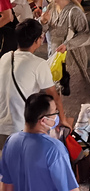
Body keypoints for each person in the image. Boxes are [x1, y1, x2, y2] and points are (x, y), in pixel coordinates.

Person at [0, 19, 66, 148]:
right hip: (20, 129)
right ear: (37, 40)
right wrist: (62, 120)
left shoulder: (5, 57)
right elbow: (53, 96)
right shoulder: (39, 64)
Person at [0, 92, 79, 191]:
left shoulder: (10, 141)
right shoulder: (54, 148)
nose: (57, 116)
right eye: (55, 113)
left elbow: (6, 186)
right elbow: (70, 189)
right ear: (43, 120)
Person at [40, 0, 90, 119]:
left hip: (72, 59)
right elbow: (44, 30)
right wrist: (43, 22)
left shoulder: (74, 12)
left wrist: (67, 45)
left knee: (71, 95)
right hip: (55, 56)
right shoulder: (51, 8)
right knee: (56, 92)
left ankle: (69, 127)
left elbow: (85, 35)